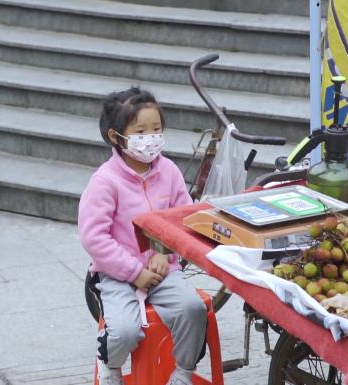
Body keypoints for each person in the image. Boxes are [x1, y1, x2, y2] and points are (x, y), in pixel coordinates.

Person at [78, 87, 207, 385]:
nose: (151, 138)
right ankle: (110, 368)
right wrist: (135, 272)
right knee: (125, 331)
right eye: (141, 131)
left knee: (193, 309)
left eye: (156, 129)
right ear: (116, 137)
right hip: (115, 275)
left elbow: (183, 219)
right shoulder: (105, 181)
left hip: (164, 271)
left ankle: (183, 373)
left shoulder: (170, 172)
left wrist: (165, 253)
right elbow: (93, 238)